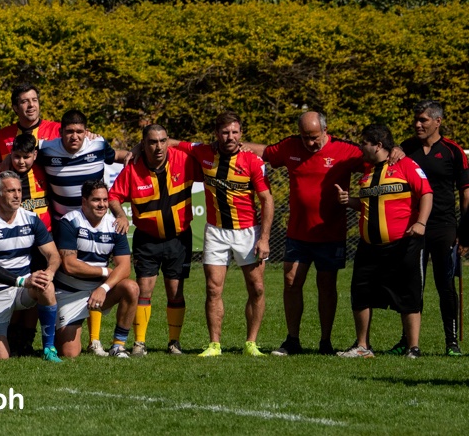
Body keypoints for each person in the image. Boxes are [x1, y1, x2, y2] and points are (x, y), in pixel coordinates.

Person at [238, 112, 365, 356]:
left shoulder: (346, 150)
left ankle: (325, 342)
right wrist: (236, 144)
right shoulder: (290, 146)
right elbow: (265, 152)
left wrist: (396, 151)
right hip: (297, 233)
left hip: (330, 234)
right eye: (305, 137)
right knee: (291, 282)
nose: (310, 143)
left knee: (326, 285)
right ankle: (292, 340)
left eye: (315, 137)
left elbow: (374, 159)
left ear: (325, 131)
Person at [173, 111, 273, 357]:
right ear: (217, 134)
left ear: (241, 134)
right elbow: (171, 142)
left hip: (249, 232)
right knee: (213, 289)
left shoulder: (253, 162)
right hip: (216, 232)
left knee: (257, 288)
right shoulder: (204, 151)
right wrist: (136, 145)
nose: (230, 137)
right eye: (226, 132)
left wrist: (264, 239)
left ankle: (251, 343)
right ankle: (214, 345)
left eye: (235, 132)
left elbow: (266, 200)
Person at [337, 124, 433, 359]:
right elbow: (369, 204)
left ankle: (413, 348)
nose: (361, 147)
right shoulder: (367, 172)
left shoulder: (406, 164)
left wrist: (421, 223)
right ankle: (362, 346)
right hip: (369, 247)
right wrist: (350, 202)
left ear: (378, 145)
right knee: (360, 293)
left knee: (409, 295)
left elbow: (427, 193)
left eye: (364, 143)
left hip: (403, 244)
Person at [109, 124, 196, 356]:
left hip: (179, 238)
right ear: (143, 144)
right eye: (152, 142)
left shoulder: (184, 160)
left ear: (168, 141)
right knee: (144, 290)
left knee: (175, 291)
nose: (158, 147)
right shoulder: (132, 168)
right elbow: (114, 196)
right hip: (147, 239)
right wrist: (120, 215)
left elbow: (206, 156)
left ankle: (174, 342)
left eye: (162, 141)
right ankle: (139, 343)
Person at [396, 101, 469, 356]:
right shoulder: (405, 148)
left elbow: (465, 194)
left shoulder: (453, 151)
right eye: (416, 119)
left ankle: (451, 342)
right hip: (413, 227)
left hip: (444, 227)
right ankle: (407, 340)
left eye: (424, 120)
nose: (418, 124)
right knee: (412, 284)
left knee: (445, 284)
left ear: (437, 121)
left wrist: (465, 231)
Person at [0, 171, 62, 362]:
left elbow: (53, 254)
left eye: (19, 190)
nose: (17, 195)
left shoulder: (31, 219)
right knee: (0, 359)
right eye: (11, 191)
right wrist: (24, 281)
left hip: (23, 290)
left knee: (47, 285)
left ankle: (49, 349)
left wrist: (50, 273)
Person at [54, 180, 139, 358]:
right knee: (69, 353)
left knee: (131, 287)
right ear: (84, 202)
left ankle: (118, 345)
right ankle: (67, 329)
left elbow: (124, 268)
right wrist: (103, 272)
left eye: (105, 200)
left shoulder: (115, 225)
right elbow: (69, 265)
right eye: (96, 200)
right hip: (70, 293)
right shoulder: (69, 222)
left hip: (99, 291)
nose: (102, 205)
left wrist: (103, 287)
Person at [38, 110, 122, 219]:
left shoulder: (98, 144)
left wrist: (139, 149)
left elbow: (117, 156)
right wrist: (9, 159)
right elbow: (22, 154)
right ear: (60, 132)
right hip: (63, 222)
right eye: (69, 131)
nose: (74, 136)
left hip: (95, 222)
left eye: (79, 131)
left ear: (86, 132)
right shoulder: (45, 148)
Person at [0, 84, 62, 160]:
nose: (31, 105)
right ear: (15, 108)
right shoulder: (3, 136)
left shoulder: (58, 130)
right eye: (25, 101)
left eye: (34, 100)